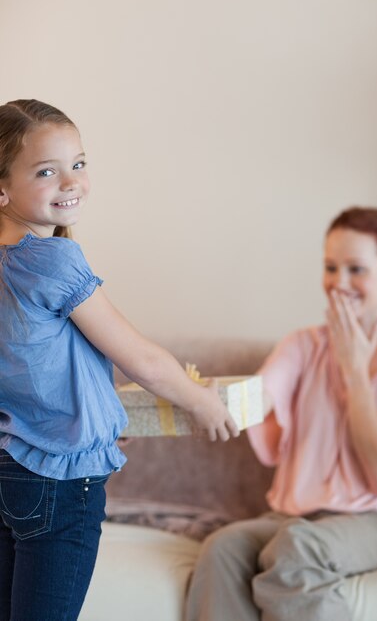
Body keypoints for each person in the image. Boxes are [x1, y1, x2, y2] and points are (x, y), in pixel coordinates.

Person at [0, 98, 239, 621]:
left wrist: (97, 413)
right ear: (2, 188)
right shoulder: (52, 260)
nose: (71, 182)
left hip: (9, 471)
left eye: (79, 164)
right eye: (47, 171)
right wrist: (202, 401)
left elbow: (32, 374)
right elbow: (142, 360)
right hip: (60, 486)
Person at [186, 206, 377, 621]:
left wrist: (353, 370)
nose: (339, 283)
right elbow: (256, 399)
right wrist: (212, 397)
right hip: (296, 516)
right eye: (331, 267)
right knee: (223, 547)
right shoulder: (303, 345)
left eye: (356, 269)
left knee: (298, 547)